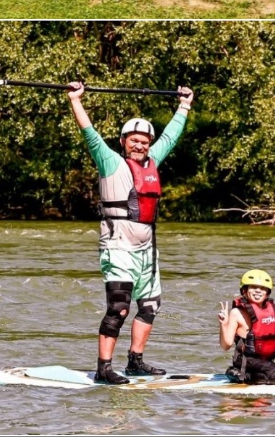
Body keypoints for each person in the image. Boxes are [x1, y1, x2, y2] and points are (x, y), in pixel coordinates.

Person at [67, 80, 194, 385]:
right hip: (118, 247)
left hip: (147, 250)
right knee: (119, 307)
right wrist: (75, 100)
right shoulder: (109, 161)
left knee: (150, 306)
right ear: (123, 141)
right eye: (134, 140)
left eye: (144, 142)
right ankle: (104, 368)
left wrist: (185, 105)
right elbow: (89, 133)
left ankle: (135, 362)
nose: (140, 145)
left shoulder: (153, 161)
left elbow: (171, 136)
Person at [219, 269, 275, 385]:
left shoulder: (270, 311)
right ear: (244, 290)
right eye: (253, 287)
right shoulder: (237, 313)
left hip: (266, 359)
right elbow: (225, 346)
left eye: (262, 288)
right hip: (247, 361)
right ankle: (240, 375)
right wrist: (224, 324)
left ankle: (256, 376)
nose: (258, 291)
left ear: (267, 292)